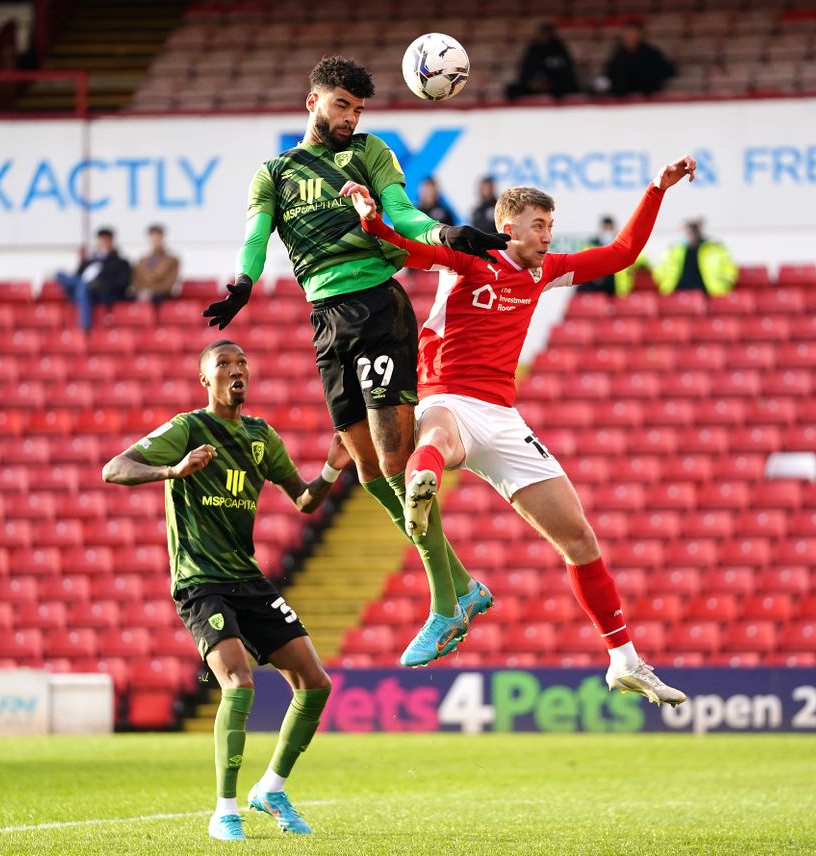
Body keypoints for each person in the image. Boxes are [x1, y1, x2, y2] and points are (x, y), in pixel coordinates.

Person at [339, 153, 699, 707]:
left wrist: (657, 187)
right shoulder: (467, 259)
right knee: (434, 441)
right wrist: (370, 218)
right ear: (508, 227)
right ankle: (422, 505)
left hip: (504, 419)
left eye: (551, 227)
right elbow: (406, 249)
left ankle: (625, 661)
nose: (548, 237)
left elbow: (622, 254)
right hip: (448, 396)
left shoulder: (545, 272)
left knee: (578, 537)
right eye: (539, 226)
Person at [203, 56, 511, 669]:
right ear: (312, 102)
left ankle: (446, 603)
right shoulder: (275, 172)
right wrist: (244, 280)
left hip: (375, 306)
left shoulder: (371, 153)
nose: (352, 117)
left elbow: (402, 215)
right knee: (369, 472)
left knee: (396, 463)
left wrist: (446, 235)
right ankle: (465, 588)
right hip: (325, 318)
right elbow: (257, 234)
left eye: (359, 108)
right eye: (342, 105)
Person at [102, 339, 351, 842]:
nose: (237, 370)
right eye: (224, 364)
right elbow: (115, 468)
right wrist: (173, 470)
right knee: (239, 683)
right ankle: (224, 809)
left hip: (247, 578)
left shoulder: (260, 436)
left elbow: (303, 500)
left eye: (242, 362)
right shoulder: (188, 428)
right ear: (205, 380)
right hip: (200, 581)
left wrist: (330, 468)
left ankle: (272, 789)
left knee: (315, 682)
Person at [56, 227, 131, 330]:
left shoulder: (120, 262)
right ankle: (81, 287)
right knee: (61, 274)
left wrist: (101, 284)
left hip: (103, 292)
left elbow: (122, 282)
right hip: (84, 287)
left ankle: (85, 326)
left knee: (83, 288)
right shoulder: (89, 261)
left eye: (107, 240)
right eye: (102, 240)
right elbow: (77, 274)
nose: (104, 243)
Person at [653, 219, 738, 297]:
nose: (692, 233)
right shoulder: (673, 250)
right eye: (689, 230)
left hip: (709, 294)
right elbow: (660, 271)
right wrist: (666, 284)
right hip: (677, 293)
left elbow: (730, 272)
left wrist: (723, 286)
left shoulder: (715, 249)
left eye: (694, 229)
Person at [576, 215, 651, 296]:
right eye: (605, 228)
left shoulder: (622, 244)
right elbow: (582, 260)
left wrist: (643, 265)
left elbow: (639, 256)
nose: (608, 231)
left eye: (610, 228)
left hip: (617, 286)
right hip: (595, 284)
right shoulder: (592, 244)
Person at [505, 22, 579, 101]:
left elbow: (566, 70)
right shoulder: (532, 49)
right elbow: (525, 68)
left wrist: (550, 83)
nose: (544, 36)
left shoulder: (559, 49)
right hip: (533, 84)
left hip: (554, 85)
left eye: (546, 34)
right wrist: (531, 82)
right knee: (512, 90)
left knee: (569, 87)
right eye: (541, 34)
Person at [601, 22, 676, 97]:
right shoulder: (617, 55)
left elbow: (668, 70)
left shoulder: (651, 53)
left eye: (633, 33)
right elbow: (610, 76)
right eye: (627, 33)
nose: (630, 36)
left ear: (640, 34)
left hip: (648, 96)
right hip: (623, 98)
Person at [130, 223, 180, 306]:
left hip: (160, 295)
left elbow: (169, 283)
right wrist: (141, 290)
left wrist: (151, 291)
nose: (155, 240)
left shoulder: (172, 260)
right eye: (153, 237)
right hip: (142, 293)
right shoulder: (142, 260)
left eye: (158, 237)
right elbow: (135, 280)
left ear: (162, 238)